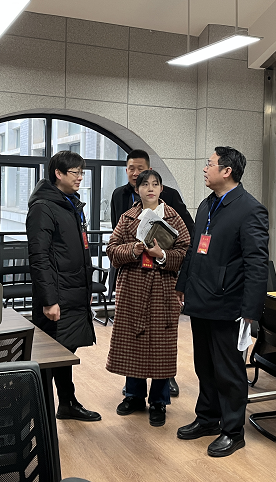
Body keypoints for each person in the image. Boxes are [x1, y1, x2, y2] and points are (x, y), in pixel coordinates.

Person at [175, 146, 269, 457]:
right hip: (201, 299)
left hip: (229, 304)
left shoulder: (250, 209)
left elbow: (257, 263)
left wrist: (251, 311)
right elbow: (194, 250)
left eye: (210, 164)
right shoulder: (207, 204)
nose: (205, 168)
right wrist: (182, 285)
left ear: (227, 171)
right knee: (204, 366)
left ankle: (232, 431)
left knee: (228, 371)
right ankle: (207, 418)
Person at [106, 170, 190, 427]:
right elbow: (111, 250)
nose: (150, 188)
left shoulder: (174, 217)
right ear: (137, 190)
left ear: (162, 189)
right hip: (133, 287)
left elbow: (185, 252)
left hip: (163, 287)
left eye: (155, 184)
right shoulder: (127, 217)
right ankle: (133, 396)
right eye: (145, 185)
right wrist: (133, 250)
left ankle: (159, 401)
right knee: (134, 342)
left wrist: (161, 254)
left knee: (161, 345)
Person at [26, 151, 101, 422]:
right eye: (75, 172)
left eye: (82, 172)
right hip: (57, 296)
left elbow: (81, 250)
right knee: (49, 358)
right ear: (58, 174)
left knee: (65, 351)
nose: (80, 177)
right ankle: (36, 413)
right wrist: (49, 300)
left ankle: (67, 403)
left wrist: (87, 290)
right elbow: (39, 257)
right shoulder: (43, 207)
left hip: (74, 291)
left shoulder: (70, 204)